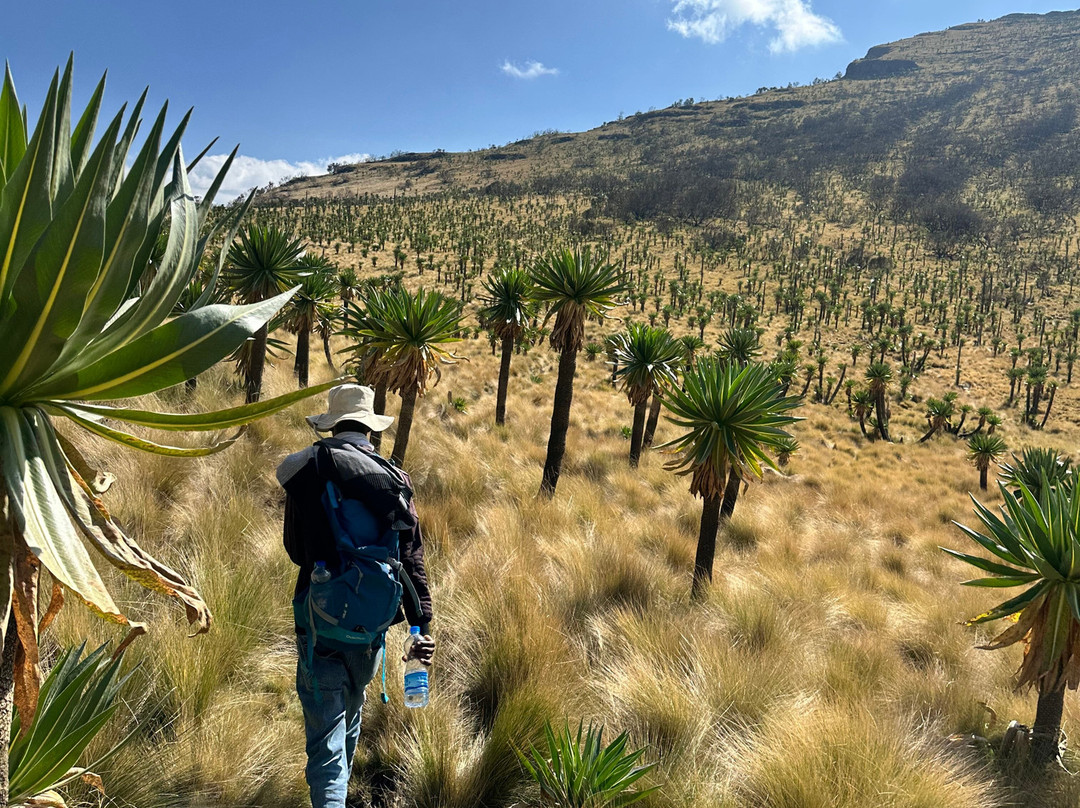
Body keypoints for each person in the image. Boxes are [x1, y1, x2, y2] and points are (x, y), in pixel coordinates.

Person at [277, 383, 435, 808]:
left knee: (325, 739)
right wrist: (421, 627)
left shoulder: (310, 469)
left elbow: (296, 551)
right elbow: (412, 558)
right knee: (350, 715)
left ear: (332, 425)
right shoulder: (395, 479)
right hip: (372, 628)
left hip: (319, 624)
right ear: (371, 430)